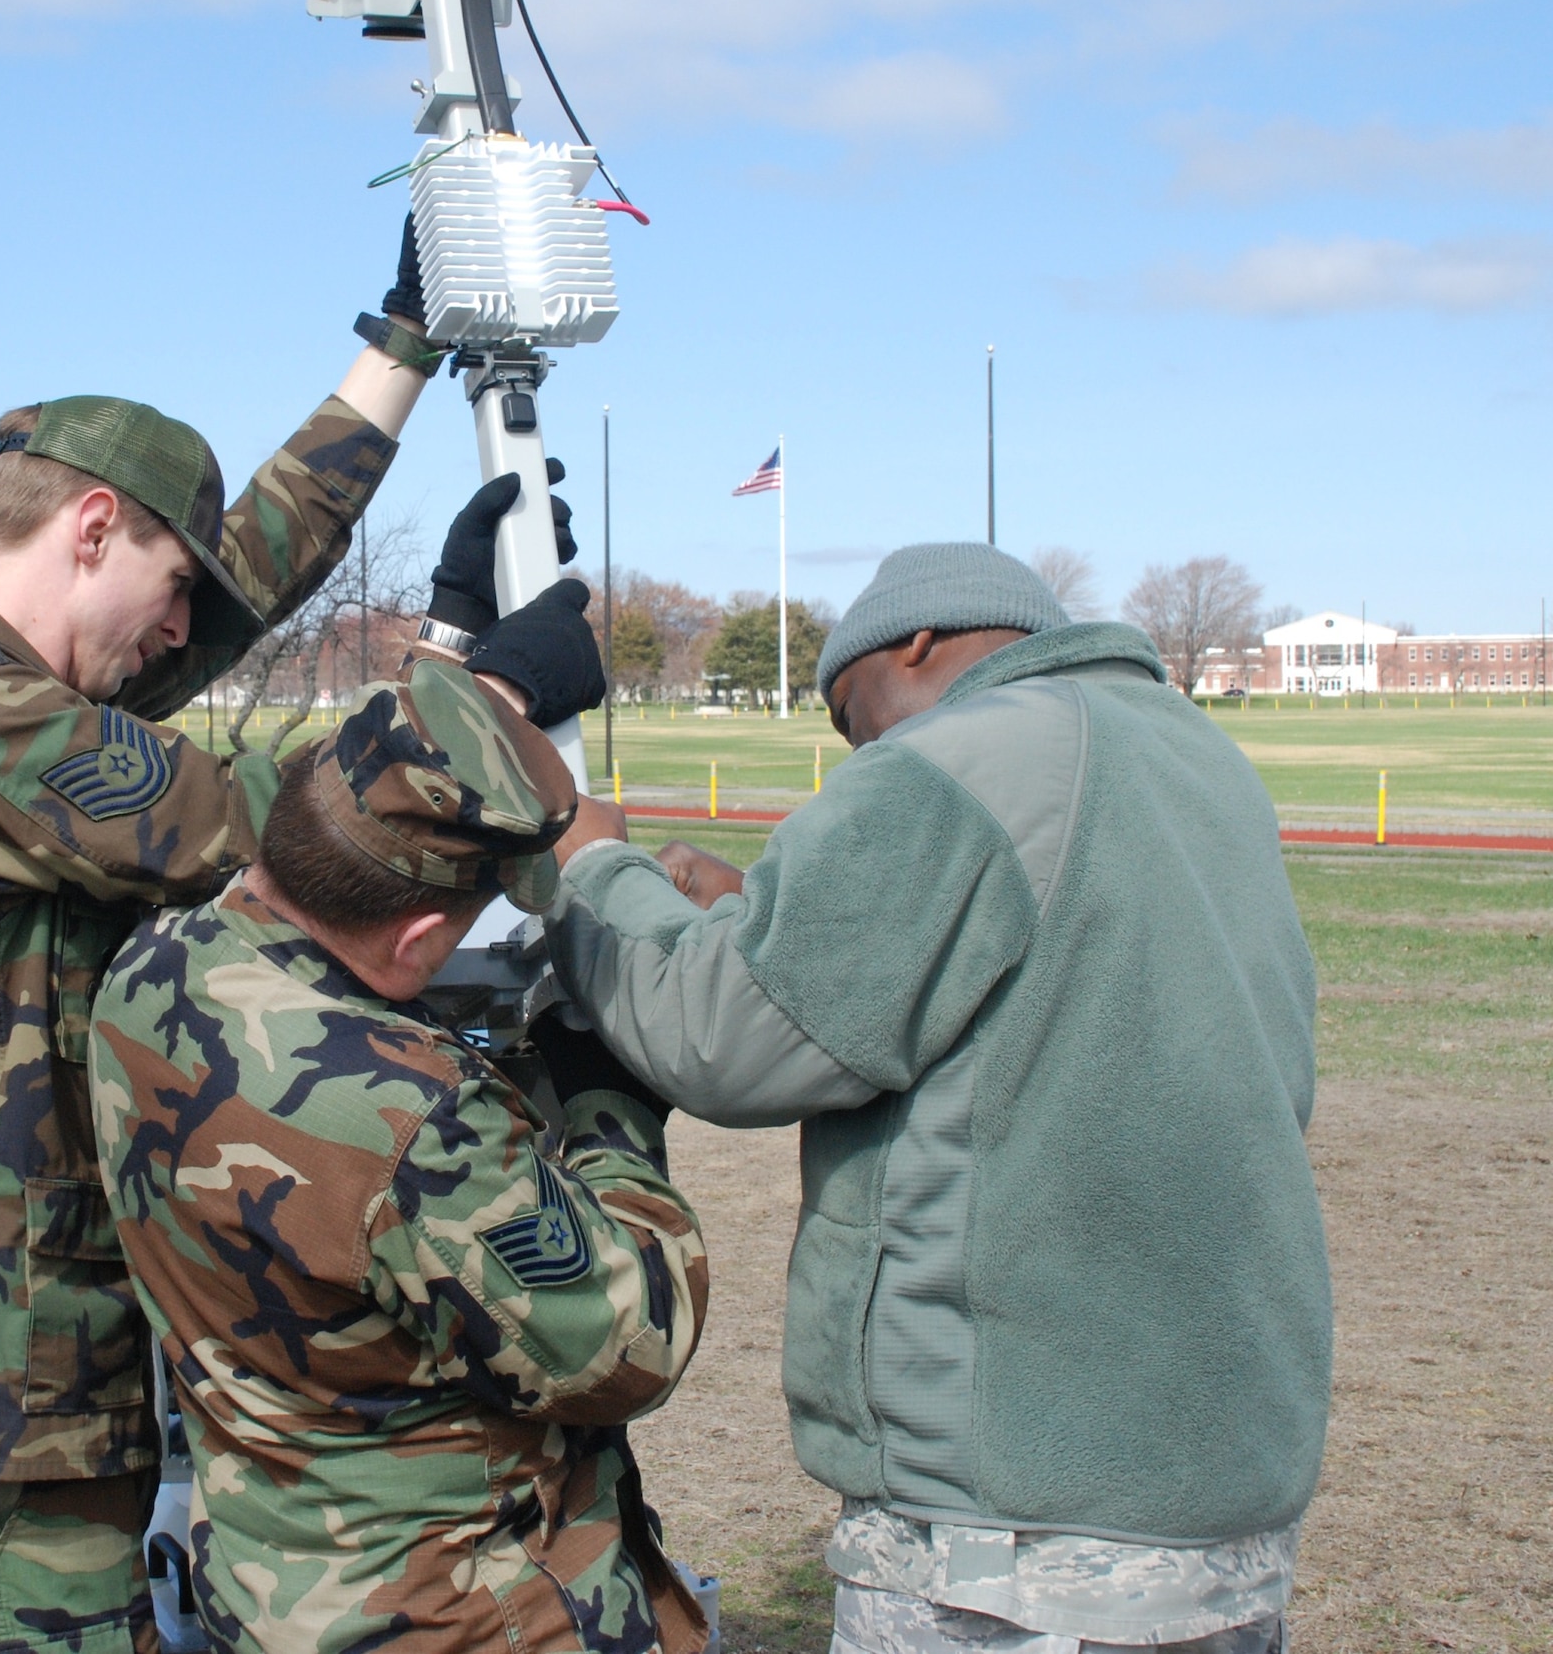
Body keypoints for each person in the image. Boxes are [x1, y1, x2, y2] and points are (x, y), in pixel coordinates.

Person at [0, 228, 600, 1654]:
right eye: (165, 591)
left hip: (14, 1371)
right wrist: (476, 695)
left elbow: (238, 577)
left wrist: (398, 349)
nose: (181, 633)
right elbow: (262, 820)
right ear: (92, 526)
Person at [543, 543, 1333, 1654]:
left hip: (1014, 1538)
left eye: (847, 713)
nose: (856, 749)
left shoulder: (956, 757)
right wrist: (755, 910)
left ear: (910, 643)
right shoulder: (1193, 759)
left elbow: (720, 1036)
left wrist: (596, 871)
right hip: (1213, 1500)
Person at [90, 660, 714, 1654]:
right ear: (418, 934)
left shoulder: (155, 966)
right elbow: (627, 1343)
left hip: (278, 1584)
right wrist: (608, 1103)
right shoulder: (409, 1117)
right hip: (462, 1612)